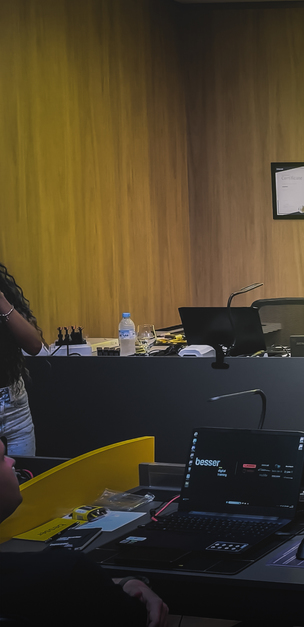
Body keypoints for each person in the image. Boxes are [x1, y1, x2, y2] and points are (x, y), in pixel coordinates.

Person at [0, 437, 171, 626]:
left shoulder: (25, 576)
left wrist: (123, 582)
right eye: (1, 458)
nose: (11, 461)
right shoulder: (68, 570)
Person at [0, 263, 48, 456]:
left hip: (15, 410)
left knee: (24, 473)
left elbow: (34, 346)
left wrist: (2, 301)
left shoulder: (4, 291)